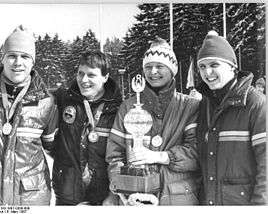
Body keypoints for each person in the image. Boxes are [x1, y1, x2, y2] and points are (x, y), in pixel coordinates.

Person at [106, 37, 201, 205]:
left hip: (178, 198)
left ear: (172, 70)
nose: (153, 72)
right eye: (148, 67)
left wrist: (161, 156)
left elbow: (197, 153)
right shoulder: (128, 107)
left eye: (160, 66)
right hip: (135, 200)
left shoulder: (190, 106)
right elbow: (114, 155)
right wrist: (122, 188)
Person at [0, 25, 58, 205]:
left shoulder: (47, 101)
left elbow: (55, 149)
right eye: (12, 56)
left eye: (25, 56)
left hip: (30, 199)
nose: (18, 62)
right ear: (2, 59)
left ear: (33, 61)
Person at [196, 31, 266, 205]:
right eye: (202, 66)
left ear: (232, 66)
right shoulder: (205, 104)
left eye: (214, 64)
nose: (208, 72)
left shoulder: (255, 103)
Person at [51, 51, 122, 205]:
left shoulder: (118, 109)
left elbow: (122, 156)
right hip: (67, 195)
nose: (83, 80)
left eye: (91, 75)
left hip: (103, 197)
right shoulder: (64, 99)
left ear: (105, 77)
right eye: (80, 73)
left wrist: (114, 194)